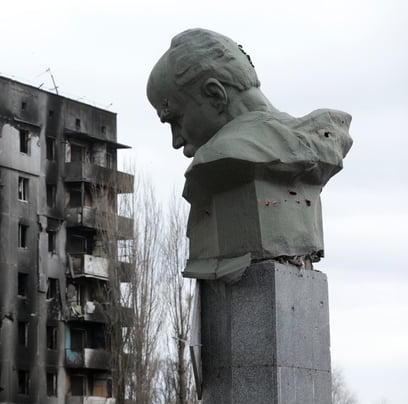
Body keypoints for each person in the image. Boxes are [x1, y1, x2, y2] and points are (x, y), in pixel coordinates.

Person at [147, 29, 352, 282]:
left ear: (215, 95)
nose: (176, 141)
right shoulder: (317, 137)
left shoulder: (227, 156)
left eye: (175, 120)